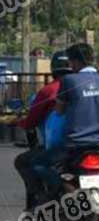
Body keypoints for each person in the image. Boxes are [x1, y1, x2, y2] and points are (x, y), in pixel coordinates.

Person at [38, 43, 99, 211]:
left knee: (39, 165)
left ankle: (63, 190)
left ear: (74, 62)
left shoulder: (69, 80)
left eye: (70, 62)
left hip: (74, 144)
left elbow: (59, 111)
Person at [14, 53, 71, 207]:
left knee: (24, 162)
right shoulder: (85, 88)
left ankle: (41, 196)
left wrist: (18, 122)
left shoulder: (49, 91)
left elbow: (31, 122)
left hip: (58, 146)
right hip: (95, 142)